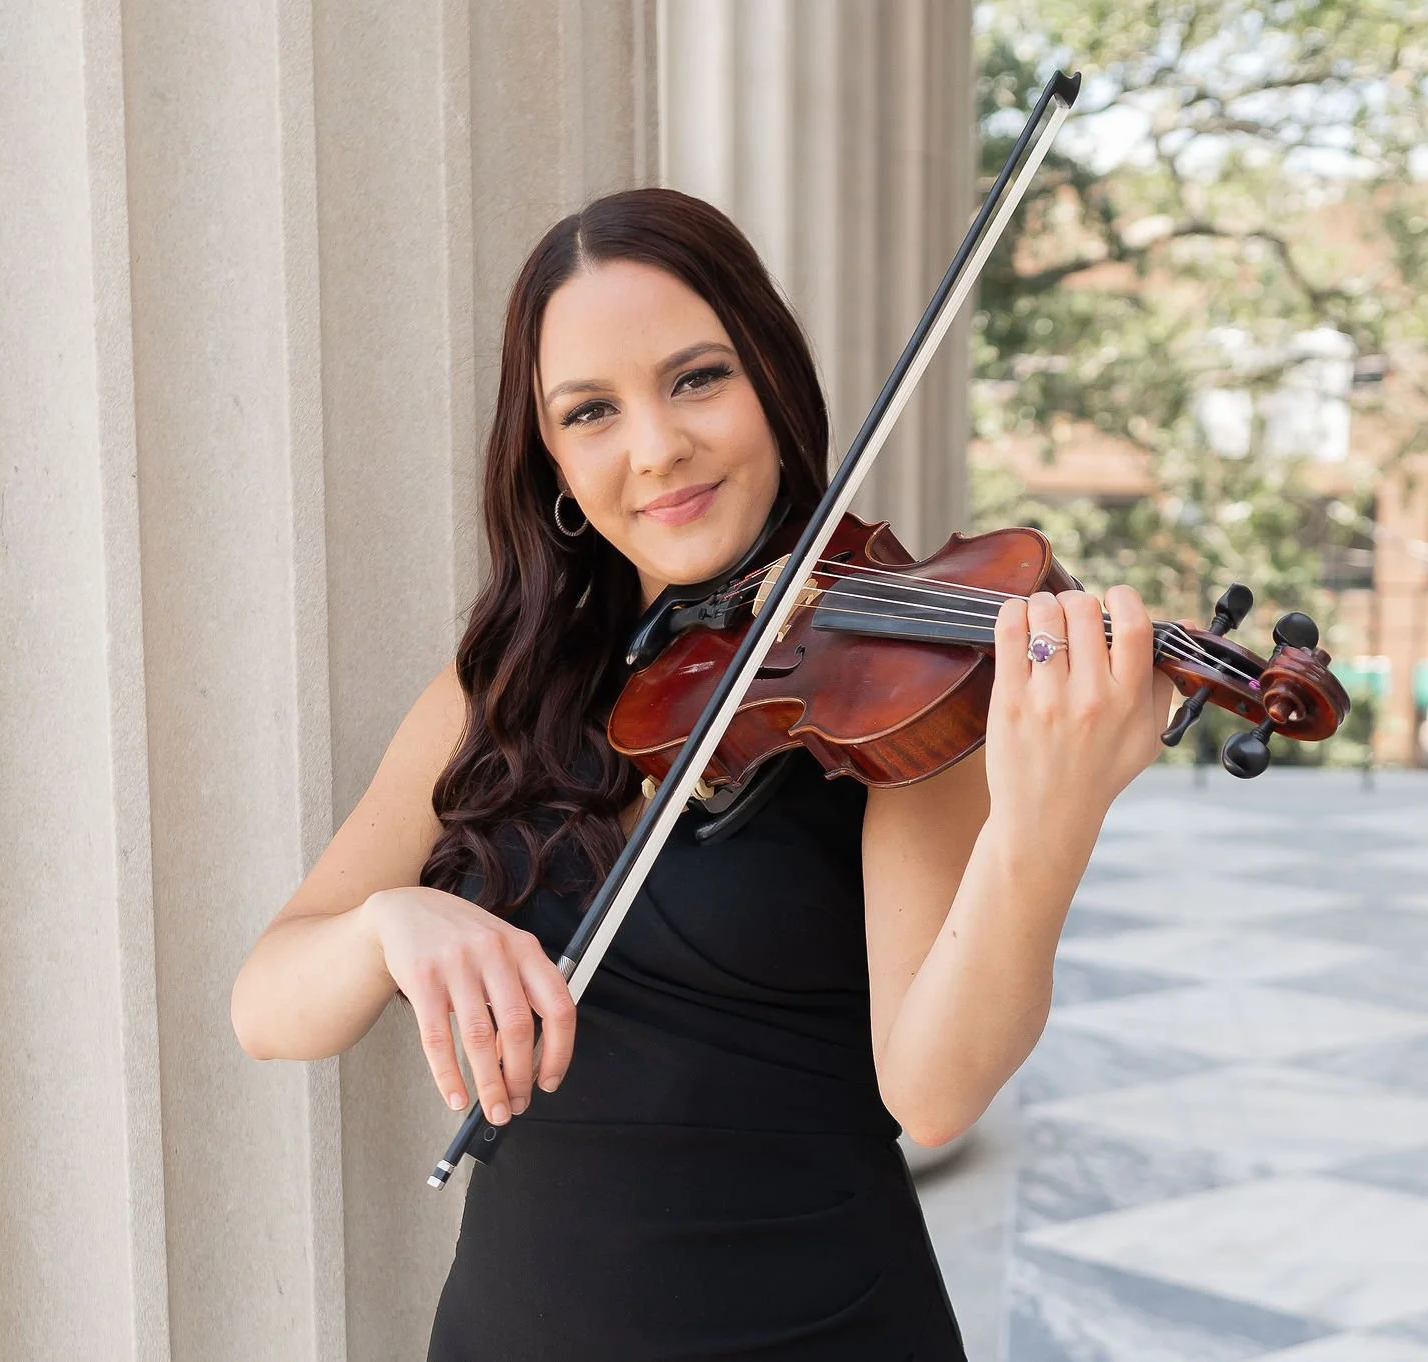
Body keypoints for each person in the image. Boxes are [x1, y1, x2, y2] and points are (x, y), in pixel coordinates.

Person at [229, 187, 1175, 1360]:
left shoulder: (896, 681)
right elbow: (268, 1009)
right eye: (590, 412)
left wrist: (1049, 819)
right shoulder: (504, 690)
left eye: (695, 379)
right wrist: (389, 921)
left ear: (770, 379)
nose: (656, 448)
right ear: (550, 459)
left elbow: (933, 1092)